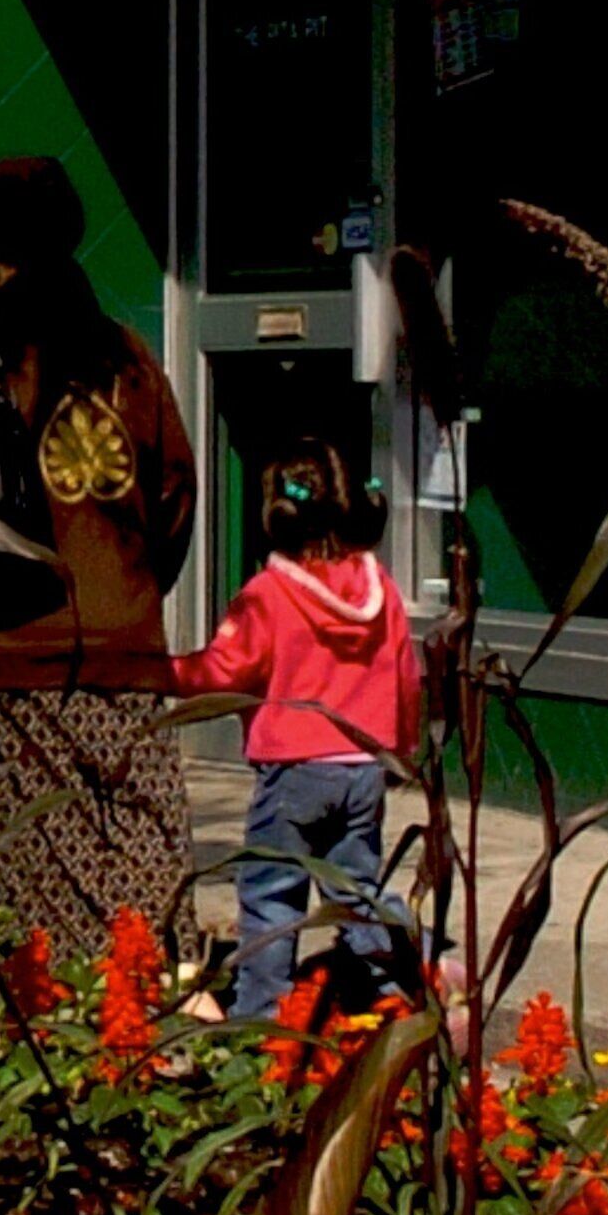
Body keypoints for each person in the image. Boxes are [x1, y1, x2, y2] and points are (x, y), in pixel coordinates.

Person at [0, 156, 201, 951]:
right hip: (116, 663)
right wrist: (122, 596)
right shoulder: (127, 356)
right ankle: (135, 1004)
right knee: (124, 885)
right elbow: (174, 497)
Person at [174, 435, 421, 1020]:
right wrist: (401, 751)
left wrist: (160, 671)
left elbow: (224, 670)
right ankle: (400, 983)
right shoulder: (381, 588)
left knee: (272, 893)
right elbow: (406, 676)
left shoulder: (267, 593)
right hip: (364, 766)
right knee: (354, 889)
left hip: (293, 771)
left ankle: (262, 1016)